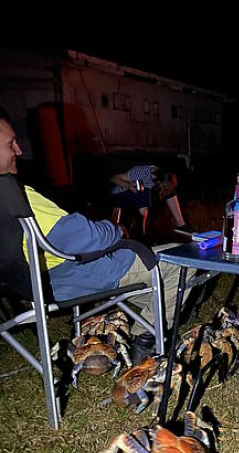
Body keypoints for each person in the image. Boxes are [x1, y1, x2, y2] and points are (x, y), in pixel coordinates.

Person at [0, 106, 192, 364]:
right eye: (11, 143)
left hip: (26, 284)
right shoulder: (13, 196)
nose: (20, 151)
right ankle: (145, 341)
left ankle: (140, 320)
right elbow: (82, 237)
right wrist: (115, 230)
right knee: (183, 263)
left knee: (159, 288)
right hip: (71, 277)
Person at [110, 164, 191, 238]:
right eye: (163, 187)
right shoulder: (142, 172)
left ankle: (181, 225)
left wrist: (167, 191)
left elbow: (167, 188)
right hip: (122, 194)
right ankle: (142, 233)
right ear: (158, 181)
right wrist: (129, 185)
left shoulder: (163, 178)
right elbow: (114, 178)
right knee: (144, 191)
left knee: (169, 193)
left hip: (140, 196)